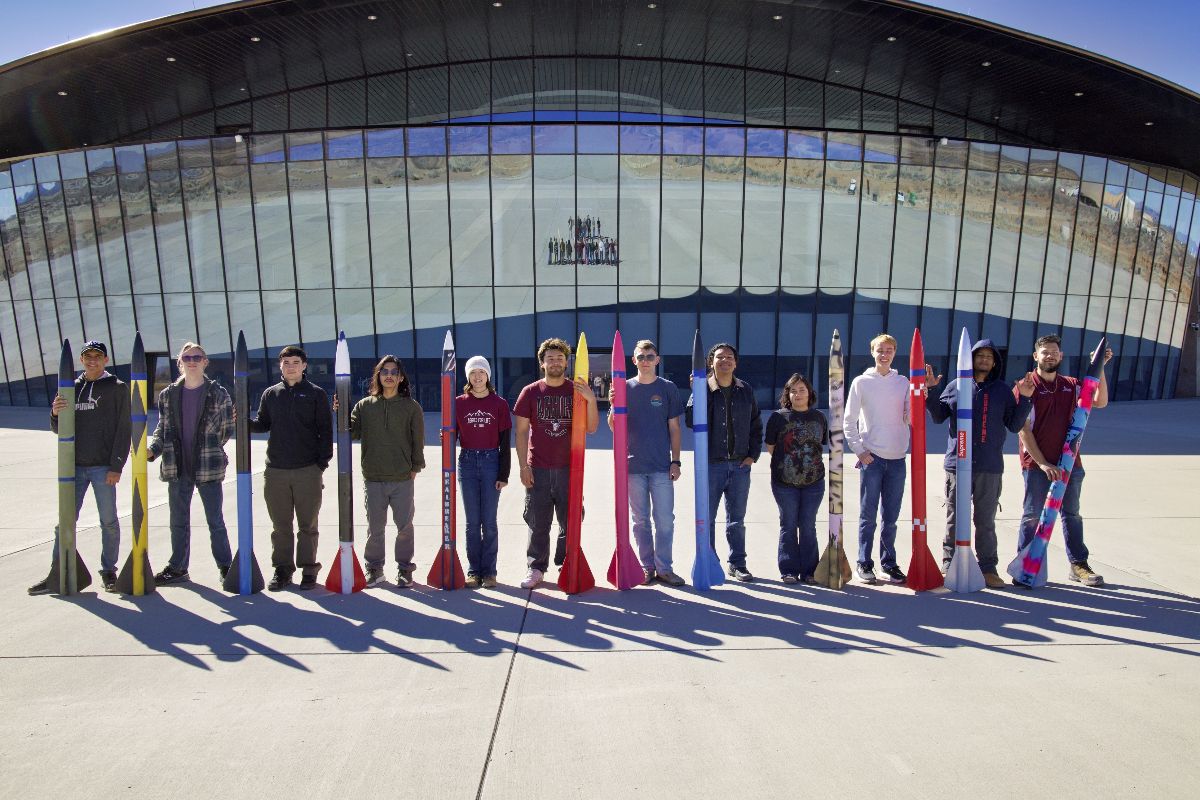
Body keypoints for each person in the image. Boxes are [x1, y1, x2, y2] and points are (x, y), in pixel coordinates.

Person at [925, 340, 1034, 589]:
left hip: (989, 465)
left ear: (995, 362)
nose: (984, 360)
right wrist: (931, 392)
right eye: (979, 355)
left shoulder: (1002, 391)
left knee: (985, 520)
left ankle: (988, 568)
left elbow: (1015, 425)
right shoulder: (955, 387)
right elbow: (939, 416)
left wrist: (1026, 399)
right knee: (955, 517)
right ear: (970, 359)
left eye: (989, 357)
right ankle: (950, 563)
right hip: (957, 464)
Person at [29, 340, 130, 595]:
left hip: (103, 467)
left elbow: (124, 429)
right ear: (82, 360)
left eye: (98, 356)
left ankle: (109, 572)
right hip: (74, 468)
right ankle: (58, 571)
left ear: (105, 360)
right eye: (88, 356)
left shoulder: (117, 388)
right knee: (64, 522)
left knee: (108, 521)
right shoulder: (72, 387)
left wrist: (116, 465)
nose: (92, 360)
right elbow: (58, 429)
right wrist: (54, 413)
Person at [1015, 334, 1112, 587]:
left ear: (1061, 356)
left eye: (1054, 352)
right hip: (1037, 466)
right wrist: (1044, 463)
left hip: (1070, 465)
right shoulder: (1026, 385)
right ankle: (1026, 566)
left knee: (1072, 515)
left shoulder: (1072, 384)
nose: (1050, 355)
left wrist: (1099, 367)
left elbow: (1099, 401)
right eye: (1045, 352)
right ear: (1036, 356)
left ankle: (1079, 565)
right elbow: (1023, 430)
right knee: (1032, 516)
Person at [513, 338, 599, 590]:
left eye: (560, 358)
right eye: (550, 358)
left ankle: (566, 562)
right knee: (537, 522)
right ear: (542, 363)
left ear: (566, 362)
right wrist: (523, 466)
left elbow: (591, 428)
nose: (555, 362)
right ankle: (536, 568)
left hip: (568, 470)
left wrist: (591, 400)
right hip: (537, 468)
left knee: (570, 520)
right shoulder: (530, 392)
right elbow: (520, 432)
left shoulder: (576, 390)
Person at [147, 342, 235, 585]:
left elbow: (227, 430)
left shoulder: (219, 393)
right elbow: (162, 429)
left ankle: (226, 567)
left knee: (215, 521)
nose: (192, 361)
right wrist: (153, 450)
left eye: (197, 357)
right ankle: (178, 568)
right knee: (178, 521)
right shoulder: (168, 395)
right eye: (187, 357)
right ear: (180, 362)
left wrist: (209, 447)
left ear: (205, 362)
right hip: (177, 467)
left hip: (208, 467)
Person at [249, 345, 332, 591]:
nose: (291, 366)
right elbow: (262, 424)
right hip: (276, 471)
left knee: (308, 525)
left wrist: (320, 464)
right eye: (286, 363)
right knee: (281, 526)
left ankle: (308, 570)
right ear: (280, 366)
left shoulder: (316, 394)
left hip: (308, 470)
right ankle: (282, 570)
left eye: (295, 362)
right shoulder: (271, 394)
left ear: (304, 365)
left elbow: (326, 432)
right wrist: (243, 422)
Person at [607, 340, 686, 586]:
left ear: (657, 360)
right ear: (633, 360)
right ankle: (647, 567)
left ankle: (664, 568)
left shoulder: (668, 388)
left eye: (649, 357)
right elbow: (614, 426)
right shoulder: (624, 387)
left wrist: (676, 461)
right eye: (640, 357)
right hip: (633, 468)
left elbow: (675, 428)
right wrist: (613, 404)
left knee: (664, 520)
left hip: (662, 466)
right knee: (640, 521)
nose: (645, 361)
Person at [685, 342, 762, 581]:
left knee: (736, 520)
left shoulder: (745, 389)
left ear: (735, 363)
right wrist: (699, 392)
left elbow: (755, 424)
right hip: (712, 465)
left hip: (740, 466)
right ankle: (710, 561)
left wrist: (752, 455)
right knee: (706, 519)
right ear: (711, 362)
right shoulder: (701, 387)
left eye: (730, 357)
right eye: (720, 357)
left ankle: (737, 563)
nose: (725, 360)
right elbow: (691, 420)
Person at [351, 356, 425, 587]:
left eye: (394, 372)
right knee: (375, 529)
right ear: (378, 376)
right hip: (373, 478)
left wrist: (414, 468)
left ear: (401, 377)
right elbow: (352, 432)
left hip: (402, 478)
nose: (389, 375)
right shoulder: (364, 406)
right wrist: (340, 411)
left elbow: (417, 441)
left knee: (404, 527)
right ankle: (374, 569)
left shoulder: (411, 407)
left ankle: (404, 569)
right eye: (384, 372)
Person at [844, 333, 910, 585]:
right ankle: (864, 562)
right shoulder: (861, 382)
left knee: (891, 517)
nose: (885, 354)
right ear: (872, 352)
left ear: (894, 352)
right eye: (880, 350)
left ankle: (888, 562)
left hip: (897, 459)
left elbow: (909, 418)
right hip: (872, 458)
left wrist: (920, 396)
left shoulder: (903, 381)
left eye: (890, 350)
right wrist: (860, 450)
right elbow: (849, 420)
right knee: (868, 515)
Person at [765, 373, 828, 585]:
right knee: (789, 524)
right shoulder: (778, 417)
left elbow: (821, 444)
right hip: (784, 484)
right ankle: (789, 569)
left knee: (808, 525)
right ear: (787, 394)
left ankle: (811, 571)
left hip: (814, 483)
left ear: (809, 393)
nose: (798, 394)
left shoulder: (819, 417)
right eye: (793, 390)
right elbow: (771, 448)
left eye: (802, 390)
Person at [456, 356, 510, 589]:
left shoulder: (499, 404)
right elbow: (450, 434)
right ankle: (473, 570)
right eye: (473, 373)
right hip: (467, 461)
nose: (477, 377)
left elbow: (506, 441)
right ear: (467, 376)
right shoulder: (458, 403)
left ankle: (489, 571)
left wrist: (503, 474)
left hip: (490, 461)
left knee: (488, 521)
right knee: (472, 522)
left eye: (482, 372)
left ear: (488, 375)